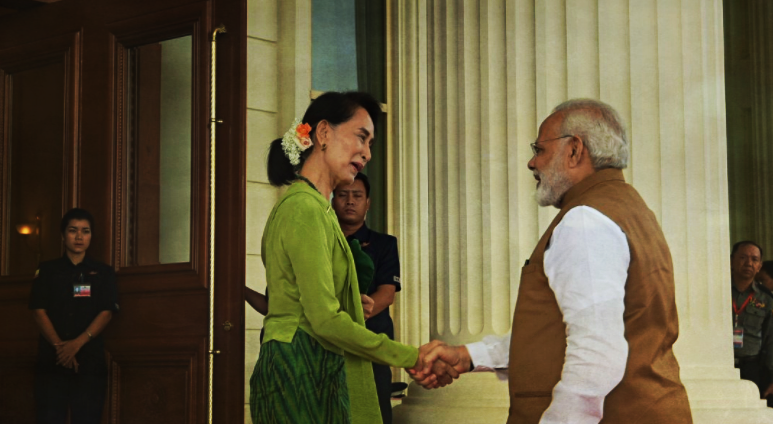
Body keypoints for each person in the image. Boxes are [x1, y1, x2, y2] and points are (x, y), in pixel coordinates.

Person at [411, 99, 693, 423]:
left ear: (574, 150)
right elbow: (561, 333)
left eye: (539, 149)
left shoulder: (586, 220)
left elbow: (596, 352)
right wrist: (468, 356)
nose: (532, 162)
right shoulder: (631, 209)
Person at [249, 91, 432, 424]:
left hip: (315, 364)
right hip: (299, 370)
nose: (367, 152)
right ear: (323, 134)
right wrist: (411, 356)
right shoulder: (304, 208)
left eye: (371, 143)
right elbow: (324, 320)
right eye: (361, 137)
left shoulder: (317, 209)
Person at [29, 208, 119, 424]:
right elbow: (38, 310)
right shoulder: (47, 270)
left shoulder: (104, 272)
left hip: (89, 361)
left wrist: (75, 345)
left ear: (91, 236)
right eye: (73, 230)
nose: (79, 237)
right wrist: (61, 348)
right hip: (52, 360)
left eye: (85, 231)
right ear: (63, 235)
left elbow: (106, 313)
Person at [333, 172, 402, 424]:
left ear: (368, 202)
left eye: (357, 196)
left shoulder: (385, 244)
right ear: (332, 200)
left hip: (372, 341)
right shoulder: (324, 241)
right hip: (331, 342)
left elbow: (386, 294)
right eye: (343, 195)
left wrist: (348, 317)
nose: (350, 201)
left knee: (375, 410)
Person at [729, 241, 773, 401]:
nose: (749, 263)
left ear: (759, 266)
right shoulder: (717, 290)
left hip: (752, 367)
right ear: (731, 260)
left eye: (754, 259)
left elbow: (771, 340)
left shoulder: (766, 298)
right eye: (743, 257)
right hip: (720, 365)